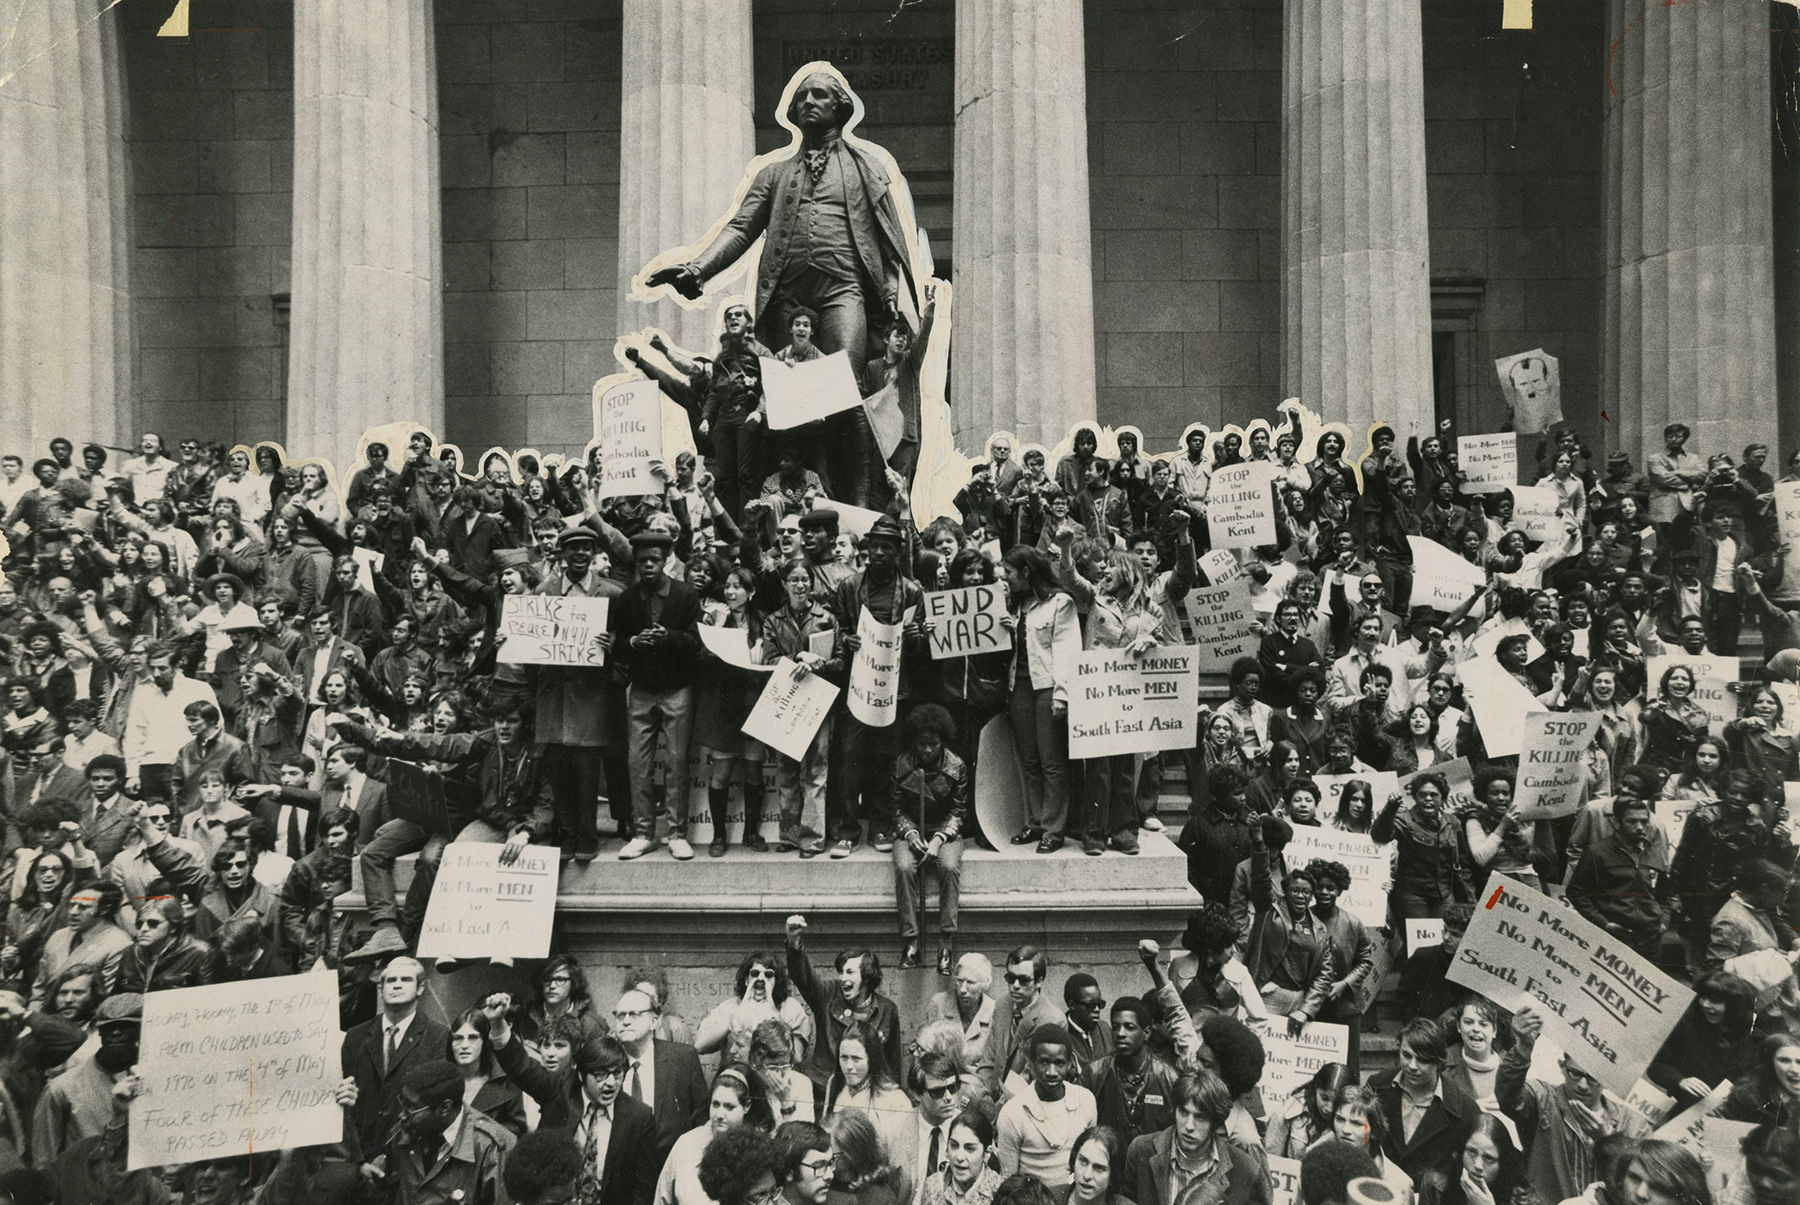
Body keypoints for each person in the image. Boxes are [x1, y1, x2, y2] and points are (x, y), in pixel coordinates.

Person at [1498, 1007, 1649, 1204]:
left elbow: (1643, 1182)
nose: (1583, 1085)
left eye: (1592, 1078)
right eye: (1575, 1073)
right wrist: (1523, 1049)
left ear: (1607, 1078)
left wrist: (1607, 1142)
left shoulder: (1633, 1123)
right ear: (1562, 1066)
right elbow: (1508, 1099)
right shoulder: (1544, 1098)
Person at [1000, 546, 1081, 852]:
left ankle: (1053, 830)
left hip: (1047, 687)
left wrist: (1062, 693)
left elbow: (1067, 648)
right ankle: (1035, 822)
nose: (1004, 577)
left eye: (1009, 572)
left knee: (1051, 762)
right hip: (1017, 686)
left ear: (1025, 572)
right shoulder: (1011, 604)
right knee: (1030, 760)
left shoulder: (1060, 603)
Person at [340, 956, 451, 1160]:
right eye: (391, 981)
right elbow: (344, 1104)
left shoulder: (438, 1036)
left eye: (406, 980)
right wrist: (358, 1160)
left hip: (410, 1159)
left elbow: (433, 1106)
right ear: (381, 989)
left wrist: (395, 1157)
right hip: (358, 1158)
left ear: (420, 988)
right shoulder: (356, 1036)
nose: (397, 985)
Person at [889, 704, 969, 973]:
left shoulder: (956, 766)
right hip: (910, 831)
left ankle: (945, 943)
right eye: (921, 744)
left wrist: (938, 840)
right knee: (903, 867)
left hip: (946, 834)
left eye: (932, 744)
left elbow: (959, 811)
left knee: (948, 866)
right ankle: (911, 943)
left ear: (942, 741)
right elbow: (896, 808)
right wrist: (910, 833)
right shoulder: (901, 764)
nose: (926, 750)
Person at [786, 915, 904, 1092]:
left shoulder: (887, 1010)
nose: (843, 978)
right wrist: (793, 940)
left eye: (850, 972)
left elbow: (892, 1066)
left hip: (867, 1094)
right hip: (824, 1089)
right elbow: (803, 978)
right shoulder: (828, 995)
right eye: (841, 972)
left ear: (867, 975)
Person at [1120, 1069, 1271, 1205]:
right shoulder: (1142, 1150)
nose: (1189, 1126)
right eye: (1184, 1113)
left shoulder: (1246, 1171)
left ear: (1215, 1121)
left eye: (1200, 1118)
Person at [1371, 1018, 1479, 1197]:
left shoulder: (1465, 1110)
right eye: (1406, 1055)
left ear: (1439, 1062)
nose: (1412, 1066)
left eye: (1422, 1060)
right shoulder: (1377, 1086)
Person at [656, 1066, 777, 1205]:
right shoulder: (686, 1144)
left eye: (729, 1107)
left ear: (747, 1106)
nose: (719, 1115)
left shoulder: (759, 1151)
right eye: (715, 1104)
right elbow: (662, 1199)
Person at [996, 1025, 1098, 1188]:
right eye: (1044, 1062)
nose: (1052, 1072)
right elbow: (1009, 1180)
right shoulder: (1013, 1112)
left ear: (1070, 1062)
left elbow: (1089, 1159)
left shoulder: (1085, 1100)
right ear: (1031, 1062)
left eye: (1059, 1063)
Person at [696, 951, 815, 1068]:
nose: (761, 979)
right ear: (747, 980)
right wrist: (737, 1015)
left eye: (768, 975)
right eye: (755, 973)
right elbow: (700, 1045)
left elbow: (797, 1056)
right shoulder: (729, 1006)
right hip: (736, 1078)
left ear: (776, 981)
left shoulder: (791, 1007)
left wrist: (775, 1016)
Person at [823, 1022, 914, 1160]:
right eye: (844, 1057)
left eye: (856, 1059)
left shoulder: (894, 1098)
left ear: (872, 1059)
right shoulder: (835, 1083)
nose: (848, 1066)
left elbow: (901, 1156)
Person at [448, 1007, 528, 1139]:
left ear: (485, 1041)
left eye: (473, 1037)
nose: (464, 1045)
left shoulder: (505, 1079)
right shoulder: (442, 1078)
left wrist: (479, 1129)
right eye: (458, 1038)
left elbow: (518, 1127)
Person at [1265, 1064, 1352, 1161]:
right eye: (1324, 1098)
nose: (1329, 1108)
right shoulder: (1287, 1111)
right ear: (1315, 1088)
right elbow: (1271, 1160)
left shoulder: (1354, 1123)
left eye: (1336, 1102)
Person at [924, 1100, 1004, 1205]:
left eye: (970, 1148)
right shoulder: (933, 1186)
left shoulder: (1000, 1193)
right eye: (954, 1145)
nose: (959, 1157)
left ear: (987, 1154)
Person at [824, 1108, 908, 1205]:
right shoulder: (821, 1183)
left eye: (832, 1156)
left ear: (853, 1155)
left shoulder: (883, 1199)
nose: (824, 1161)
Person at [1719, 1033, 1800, 1130]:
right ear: (1769, 1064)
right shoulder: (1747, 1099)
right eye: (1784, 1061)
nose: (1795, 1069)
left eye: (1799, 1062)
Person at [1062, 1126, 1131, 1205]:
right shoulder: (1047, 1199)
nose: (1087, 1175)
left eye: (1098, 1168)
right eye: (1083, 1161)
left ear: (1113, 1175)